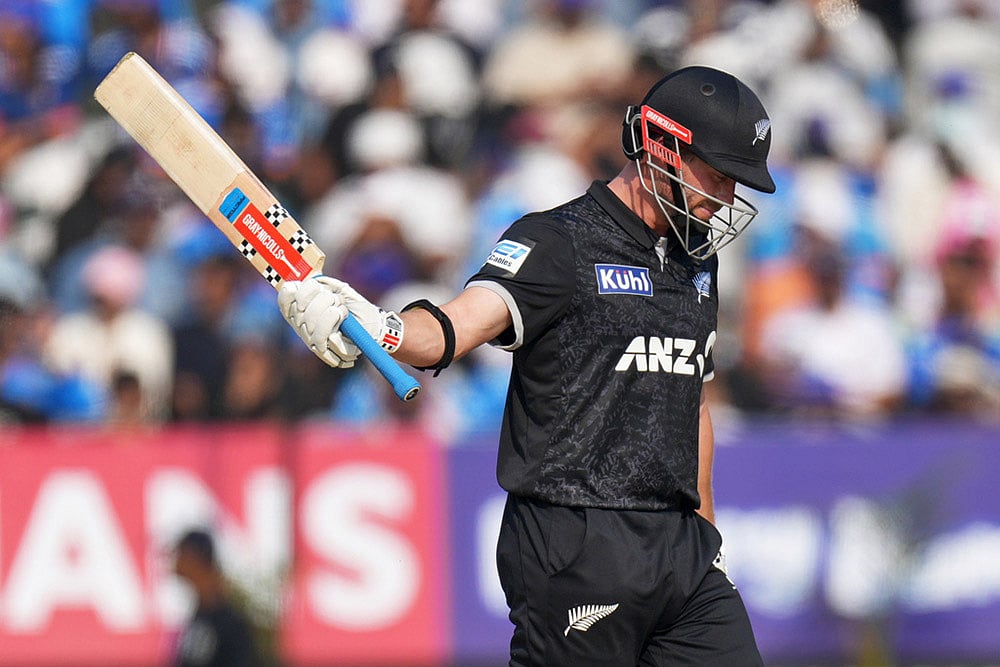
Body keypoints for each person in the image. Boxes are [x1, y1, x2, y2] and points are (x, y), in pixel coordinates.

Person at [278, 65, 774, 665]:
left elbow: (691, 409)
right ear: (660, 147)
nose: (725, 200)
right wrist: (377, 326)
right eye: (718, 178)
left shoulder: (697, 263)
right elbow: (451, 330)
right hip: (577, 539)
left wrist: (708, 534)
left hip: (682, 550)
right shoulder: (556, 242)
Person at [171, 529, 260, 667]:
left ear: (193, 556)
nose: (175, 559)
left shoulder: (229, 623)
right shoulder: (201, 612)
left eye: (181, 553)